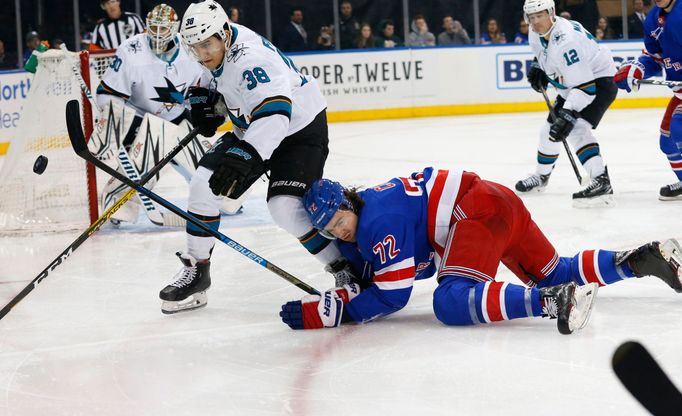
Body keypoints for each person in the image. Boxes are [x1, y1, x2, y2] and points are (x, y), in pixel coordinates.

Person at [279, 168, 682, 334]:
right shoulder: (369, 208)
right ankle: (640, 259)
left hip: (475, 211)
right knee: (556, 269)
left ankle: (551, 303)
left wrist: (332, 312)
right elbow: (386, 266)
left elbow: (394, 294)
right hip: (495, 199)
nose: (340, 231)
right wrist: (356, 279)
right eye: (330, 229)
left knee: (451, 301)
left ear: (349, 203)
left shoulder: (375, 223)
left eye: (339, 221)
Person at [160, 0, 352, 313]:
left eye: (207, 45)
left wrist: (248, 153)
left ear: (224, 34)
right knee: (202, 185)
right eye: (195, 47)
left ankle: (343, 267)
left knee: (285, 207)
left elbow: (277, 113)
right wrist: (200, 99)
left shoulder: (251, 59)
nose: (203, 53)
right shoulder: (215, 43)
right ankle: (198, 270)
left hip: (299, 129)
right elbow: (210, 74)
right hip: (252, 126)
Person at [93, 3, 210, 226]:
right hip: (146, 122)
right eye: (152, 28)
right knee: (139, 171)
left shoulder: (190, 50)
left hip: (177, 119)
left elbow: (206, 87)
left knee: (217, 189)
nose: (156, 34)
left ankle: (215, 198)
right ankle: (116, 203)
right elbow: (106, 95)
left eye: (162, 29)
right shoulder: (131, 50)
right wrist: (129, 122)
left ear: (174, 28)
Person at [515, 0, 618, 207]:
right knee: (548, 131)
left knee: (576, 128)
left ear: (551, 13)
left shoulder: (567, 41)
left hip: (598, 82)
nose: (535, 22)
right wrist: (538, 66)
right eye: (531, 17)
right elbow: (544, 53)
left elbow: (586, 88)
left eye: (540, 16)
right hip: (573, 85)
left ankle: (601, 180)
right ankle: (541, 177)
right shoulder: (536, 32)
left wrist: (568, 114)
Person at [615, 0, 682, 200]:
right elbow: (654, 57)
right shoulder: (653, 18)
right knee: (667, 140)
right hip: (679, 92)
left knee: (679, 127)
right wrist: (637, 69)